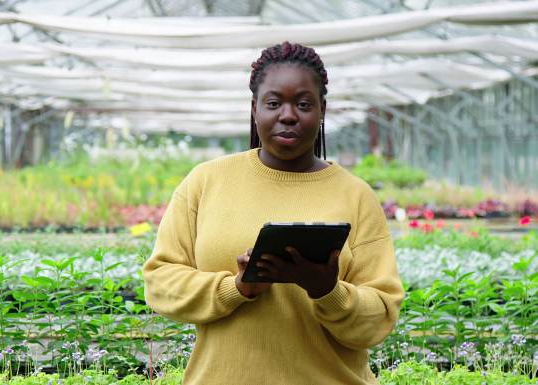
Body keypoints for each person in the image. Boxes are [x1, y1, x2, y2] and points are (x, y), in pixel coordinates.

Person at [142, 41, 404, 385]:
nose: (288, 114)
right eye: (273, 103)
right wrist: (237, 287)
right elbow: (160, 282)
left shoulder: (355, 195)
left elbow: (381, 316)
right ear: (254, 108)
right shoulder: (206, 182)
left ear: (322, 109)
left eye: (304, 104)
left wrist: (328, 290)